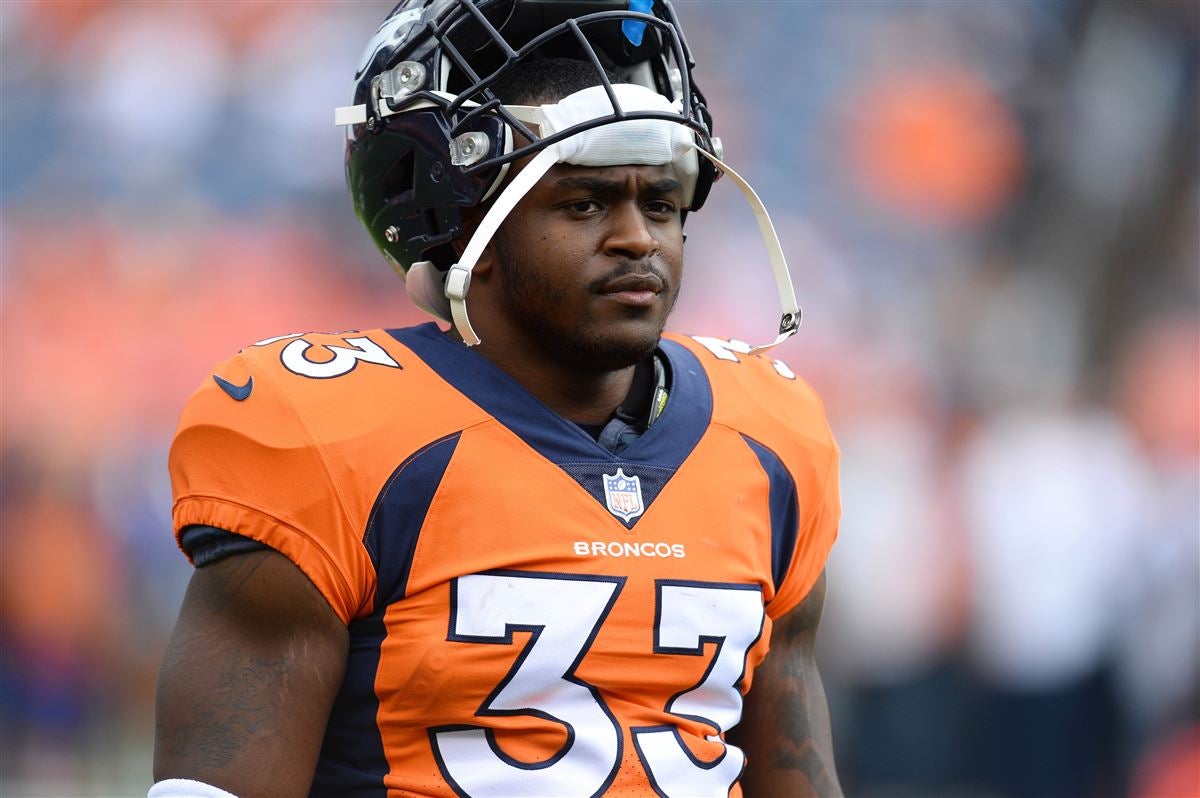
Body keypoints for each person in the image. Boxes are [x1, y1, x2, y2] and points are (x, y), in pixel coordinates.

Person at [151, 1, 842, 796]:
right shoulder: (331, 433)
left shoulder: (768, 437)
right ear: (463, 223)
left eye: (660, 202)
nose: (637, 238)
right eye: (582, 203)